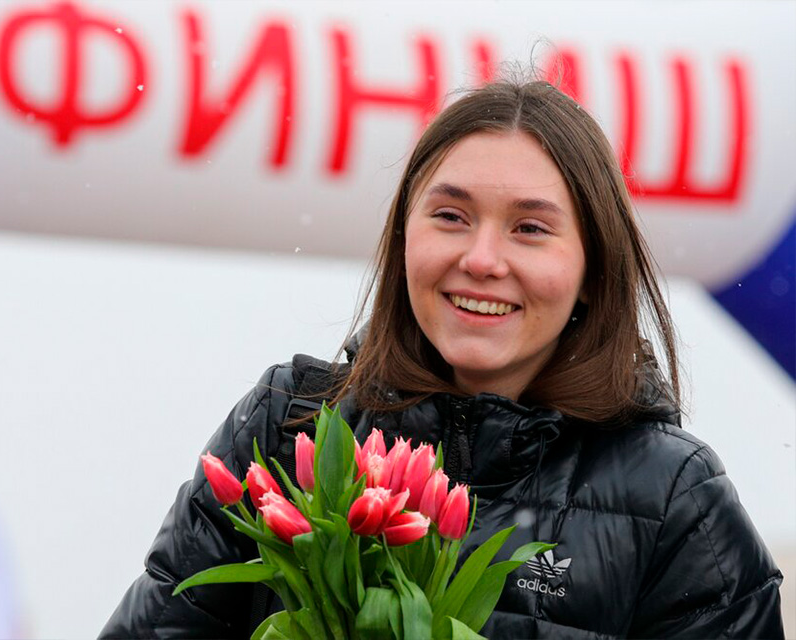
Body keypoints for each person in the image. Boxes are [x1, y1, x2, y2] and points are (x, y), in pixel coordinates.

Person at [100, 79, 785, 638]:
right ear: (405, 236)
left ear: (591, 268)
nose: (481, 260)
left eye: (530, 229)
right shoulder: (289, 425)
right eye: (450, 216)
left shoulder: (673, 498)